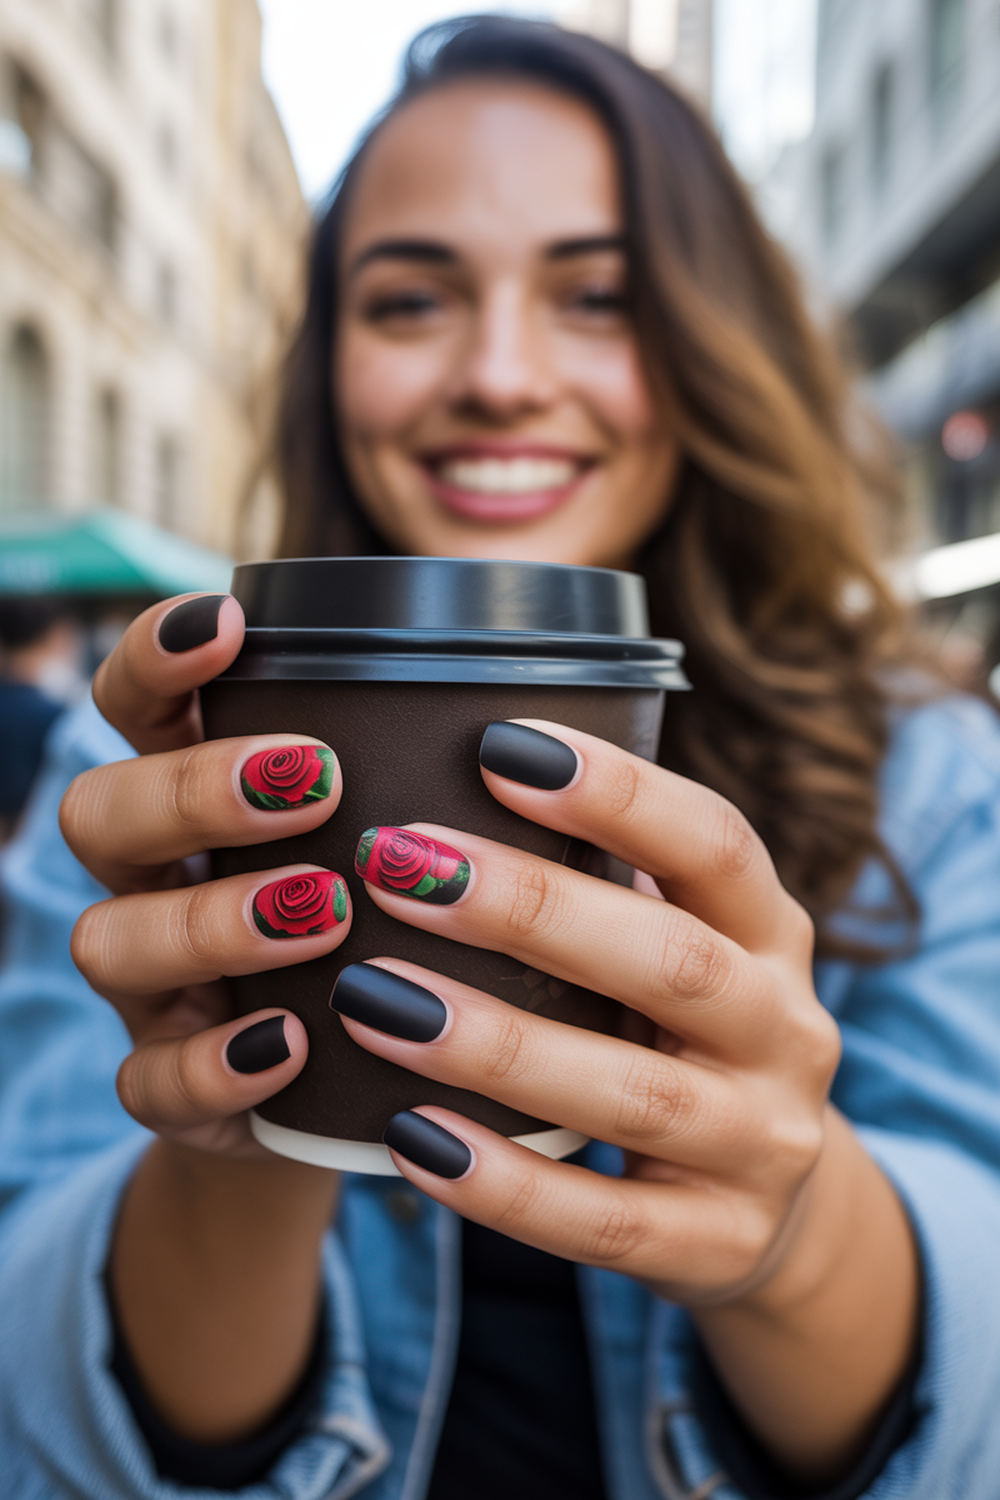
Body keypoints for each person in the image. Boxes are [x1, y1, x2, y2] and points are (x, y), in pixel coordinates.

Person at [3, 17, 1000, 1499]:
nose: (500, 374)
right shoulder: (150, 766)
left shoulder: (927, 768)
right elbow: (32, 1397)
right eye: (411, 302)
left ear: (711, 342)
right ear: (328, 358)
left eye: (597, 295)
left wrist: (791, 1233)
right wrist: (234, 1155)